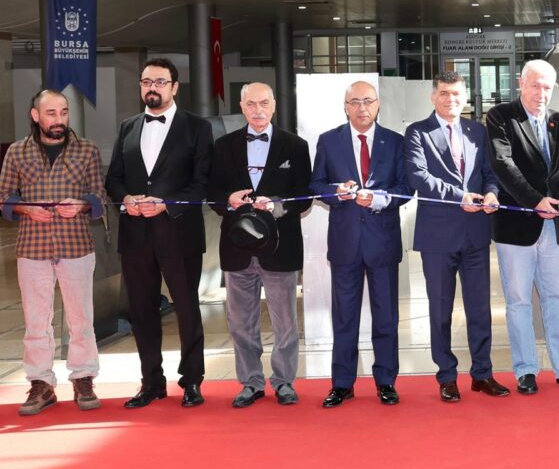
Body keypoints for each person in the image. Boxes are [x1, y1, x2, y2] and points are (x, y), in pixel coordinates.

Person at [106, 58, 214, 408]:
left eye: (160, 82)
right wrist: (126, 199)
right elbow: (114, 178)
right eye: (146, 82)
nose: (152, 88)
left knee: (187, 309)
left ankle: (192, 380)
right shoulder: (127, 127)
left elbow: (203, 184)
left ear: (174, 87)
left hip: (179, 234)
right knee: (142, 311)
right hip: (136, 235)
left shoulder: (197, 127)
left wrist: (167, 204)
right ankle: (151, 382)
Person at [0, 90, 108, 415]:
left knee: (81, 319)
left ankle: (83, 378)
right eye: (51, 113)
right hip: (32, 249)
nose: (59, 119)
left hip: (77, 247)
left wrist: (82, 204)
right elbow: (4, 197)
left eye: (63, 112)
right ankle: (41, 383)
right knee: (36, 322)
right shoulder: (17, 152)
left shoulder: (87, 149)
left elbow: (100, 197)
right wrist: (25, 209)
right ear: (35, 116)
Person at [405, 72, 509, 402]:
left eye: (456, 94)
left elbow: (490, 173)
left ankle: (482, 374)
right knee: (440, 311)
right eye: (444, 93)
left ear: (465, 97)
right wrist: (459, 196)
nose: (451, 99)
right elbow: (417, 176)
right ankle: (447, 377)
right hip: (437, 237)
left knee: (480, 309)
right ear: (433, 96)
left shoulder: (478, 131)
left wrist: (491, 194)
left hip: (475, 234)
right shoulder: (418, 132)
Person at [487, 59, 559, 394]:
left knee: (558, 297)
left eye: (547, 87)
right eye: (535, 85)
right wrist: (535, 201)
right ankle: (526, 370)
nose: (541, 93)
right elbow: (503, 164)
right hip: (516, 225)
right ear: (521, 83)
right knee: (518, 301)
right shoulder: (501, 117)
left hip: (553, 226)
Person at [208, 83, 313, 407]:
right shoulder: (223, 146)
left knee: (286, 323)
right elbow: (210, 192)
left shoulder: (295, 146)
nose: (257, 109)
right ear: (242, 107)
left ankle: (284, 381)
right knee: (241, 324)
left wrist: (278, 205)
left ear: (274, 105)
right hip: (237, 247)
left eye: (264, 103)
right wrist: (228, 199)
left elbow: (305, 196)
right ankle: (251, 382)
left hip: (281, 247)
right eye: (251, 104)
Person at [310, 80, 411, 407]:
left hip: (382, 242)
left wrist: (380, 199)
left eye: (368, 101)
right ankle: (342, 384)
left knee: (386, 317)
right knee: (344, 318)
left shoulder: (395, 141)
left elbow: (406, 188)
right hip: (345, 243)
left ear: (378, 104)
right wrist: (336, 193)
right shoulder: (329, 141)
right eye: (355, 102)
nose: (362, 108)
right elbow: (316, 185)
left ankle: (386, 382)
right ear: (345, 107)